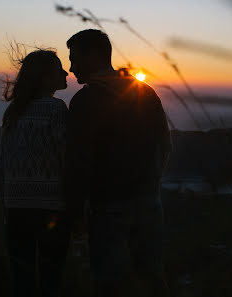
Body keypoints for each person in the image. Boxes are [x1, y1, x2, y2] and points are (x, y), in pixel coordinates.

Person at [65, 29, 172, 297]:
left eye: (75, 59)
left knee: (109, 284)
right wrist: (152, 182)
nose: (71, 68)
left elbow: (79, 160)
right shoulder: (144, 92)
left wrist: (75, 212)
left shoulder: (86, 100)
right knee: (152, 279)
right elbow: (165, 144)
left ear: (95, 55)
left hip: (108, 208)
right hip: (150, 203)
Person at [0, 49, 69, 297]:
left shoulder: (13, 112)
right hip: (51, 209)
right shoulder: (56, 109)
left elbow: (1, 164)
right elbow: (65, 158)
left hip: (16, 209)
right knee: (51, 279)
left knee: (22, 280)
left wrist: (6, 205)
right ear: (45, 77)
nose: (65, 72)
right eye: (59, 69)